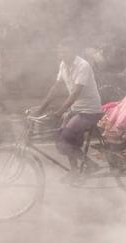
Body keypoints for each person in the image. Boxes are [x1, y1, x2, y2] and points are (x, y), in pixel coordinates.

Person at [36, 38, 103, 176]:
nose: (61, 54)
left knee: (66, 137)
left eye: (65, 51)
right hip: (76, 110)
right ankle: (75, 170)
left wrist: (60, 112)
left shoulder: (83, 66)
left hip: (90, 111)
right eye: (59, 51)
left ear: (73, 51)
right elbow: (56, 88)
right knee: (61, 140)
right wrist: (40, 109)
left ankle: (91, 165)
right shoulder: (63, 65)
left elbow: (75, 93)